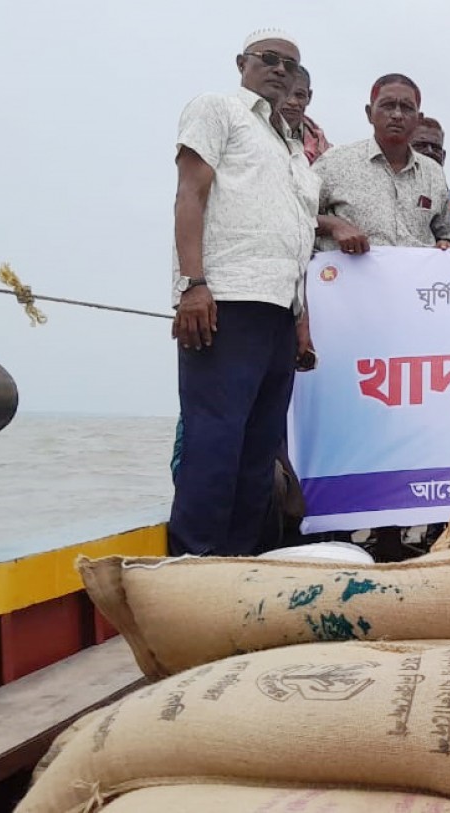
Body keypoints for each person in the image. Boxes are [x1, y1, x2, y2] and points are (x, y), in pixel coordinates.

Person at [168, 28, 320, 557]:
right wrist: (192, 285)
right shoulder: (218, 108)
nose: (280, 70)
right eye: (269, 59)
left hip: (280, 311)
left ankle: (238, 563)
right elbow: (190, 194)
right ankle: (194, 563)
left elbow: (297, 238)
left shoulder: (294, 149)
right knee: (215, 438)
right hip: (225, 299)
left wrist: (300, 321)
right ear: (242, 63)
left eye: (290, 65)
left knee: (260, 450)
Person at [313, 73, 450, 253]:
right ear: (369, 113)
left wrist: (445, 244)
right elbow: (294, 216)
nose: (397, 115)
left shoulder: (433, 174)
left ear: (418, 119)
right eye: (388, 105)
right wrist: (334, 225)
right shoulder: (334, 162)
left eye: (406, 108)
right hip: (350, 270)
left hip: (416, 271)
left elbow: (446, 234)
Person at [278, 64, 331, 164]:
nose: (292, 102)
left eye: (299, 95)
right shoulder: (257, 131)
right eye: (285, 94)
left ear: (309, 97)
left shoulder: (323, 147)